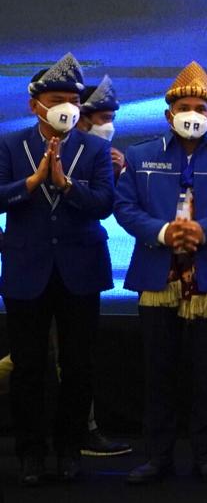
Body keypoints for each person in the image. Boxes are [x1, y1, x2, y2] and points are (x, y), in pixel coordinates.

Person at [114, 62, 207, 484]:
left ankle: (206, 456)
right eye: (184, 108)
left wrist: (203, 231)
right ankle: (158, 457)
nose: (192, 115)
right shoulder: (140, 155)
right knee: (158, 372)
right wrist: (162, 232)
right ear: (168, 114)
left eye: (200, 109)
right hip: (157, 278)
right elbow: (124, 208)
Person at [0, 53, 115, 484]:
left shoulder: (95, 148)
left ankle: (70, 451)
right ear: (35, 106)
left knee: (78, 365)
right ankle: (31, 454)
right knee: (28, 366)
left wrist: (66, 185)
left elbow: (104, 204)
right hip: (26, 268)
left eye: (73, 100)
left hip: (80, 268)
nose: (67, 107)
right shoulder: (10, 145)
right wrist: (32, 182)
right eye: (57, 100)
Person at [78, 74, 126, 179]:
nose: (110, 127)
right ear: (81, 119)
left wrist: (119, 173)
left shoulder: (115, 160)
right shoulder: (61, 153)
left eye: (112, 119)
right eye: (105, 118)